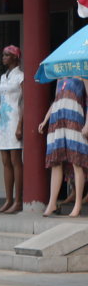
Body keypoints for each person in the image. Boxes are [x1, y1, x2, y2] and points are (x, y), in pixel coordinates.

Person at [37, 76, 88, 218]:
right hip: (57, 121)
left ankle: (78, 204)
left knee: (76, 161)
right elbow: (56, 101)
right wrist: (45, 120)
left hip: (75, 119)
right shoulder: (60, 78)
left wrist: (87, 123)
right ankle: (52, 203)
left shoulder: (82, 74)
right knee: (56, 162)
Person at [0, 45, 24, 213]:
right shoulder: (2, 77)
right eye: (3, 54)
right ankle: (8, 199)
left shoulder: (20, 77)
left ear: (15, 57)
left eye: (7, 55)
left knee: (15, 161)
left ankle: (19, 200)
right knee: (5, 162)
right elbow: (1, 100)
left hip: (14, 119)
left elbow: (24, 102)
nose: (3, 57)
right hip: (3, 121)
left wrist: (21, 124)